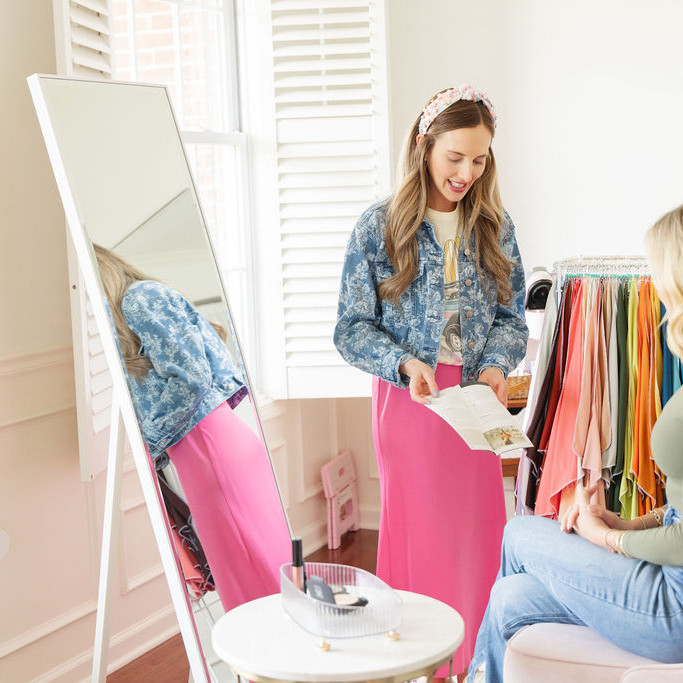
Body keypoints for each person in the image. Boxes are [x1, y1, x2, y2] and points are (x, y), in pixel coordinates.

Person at [334, 85, 529, 675]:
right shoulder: (379, 226)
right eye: (455, 157)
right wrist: (404, 363)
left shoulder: (494, 225)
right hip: (411, 400)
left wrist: (494, 367)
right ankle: (420, 661)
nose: (467, 173)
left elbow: (511, 318)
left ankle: (477, 660)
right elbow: (350, 328)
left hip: (476, 399)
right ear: (424, 147)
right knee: (419, 532)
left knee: (477, 533)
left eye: (479, 160)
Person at [467, 205, 683, 682]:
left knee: (519, 534)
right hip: (668, 584)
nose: (658, 290)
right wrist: (626, 521)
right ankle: (480, 675)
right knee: (508, 600)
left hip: (673, 610)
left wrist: (605, 537)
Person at [94, 244, 291, 611]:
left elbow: (191, 378)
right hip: (202, 446)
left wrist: (150, 441)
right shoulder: (127, 309)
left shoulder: (139, 299)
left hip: (207, 445)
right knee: (251, 566)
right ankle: (276, 644)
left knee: (253, 569)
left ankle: (274, 645)